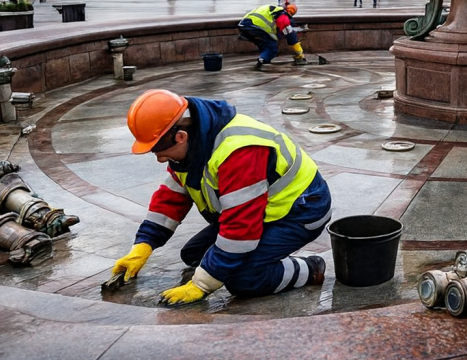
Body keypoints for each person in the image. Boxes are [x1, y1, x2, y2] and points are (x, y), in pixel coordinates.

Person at [112, 89, 331, 306]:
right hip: (262, 211)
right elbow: (172, 197)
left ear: (181, 137)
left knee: (243, 280)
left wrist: (201, 285)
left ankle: (310, 268)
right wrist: (143, 245)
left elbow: (241, 229)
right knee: (195, 254)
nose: (159, 159)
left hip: (300, 211)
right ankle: (259, 258)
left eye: (157, 150)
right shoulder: (191, 146)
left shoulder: (238, 151)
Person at [238, 2, 307, 70]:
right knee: (272, 48)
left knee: (264, 44)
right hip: (256, 27)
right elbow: (290, 35)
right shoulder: (283, 16)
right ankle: (262, 60)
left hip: (244, 25)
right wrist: (299, 53)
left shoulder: (272, 9)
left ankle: (264, 57)